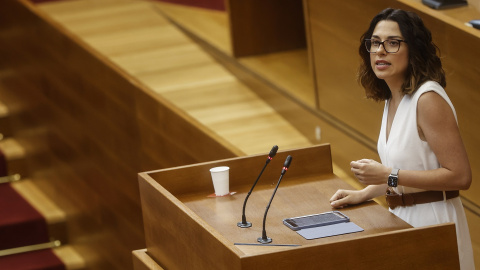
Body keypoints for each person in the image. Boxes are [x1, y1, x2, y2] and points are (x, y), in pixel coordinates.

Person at [329, 8, 475, 269]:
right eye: (375, 42)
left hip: (433, 221)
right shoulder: (393, 96)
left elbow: (460, 176)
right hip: (402, 217)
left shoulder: (428, 99)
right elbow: (410, 171)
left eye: (392, 43)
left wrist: (388, 175)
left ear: (414, 49)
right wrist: (364, 193)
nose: (380, 51)